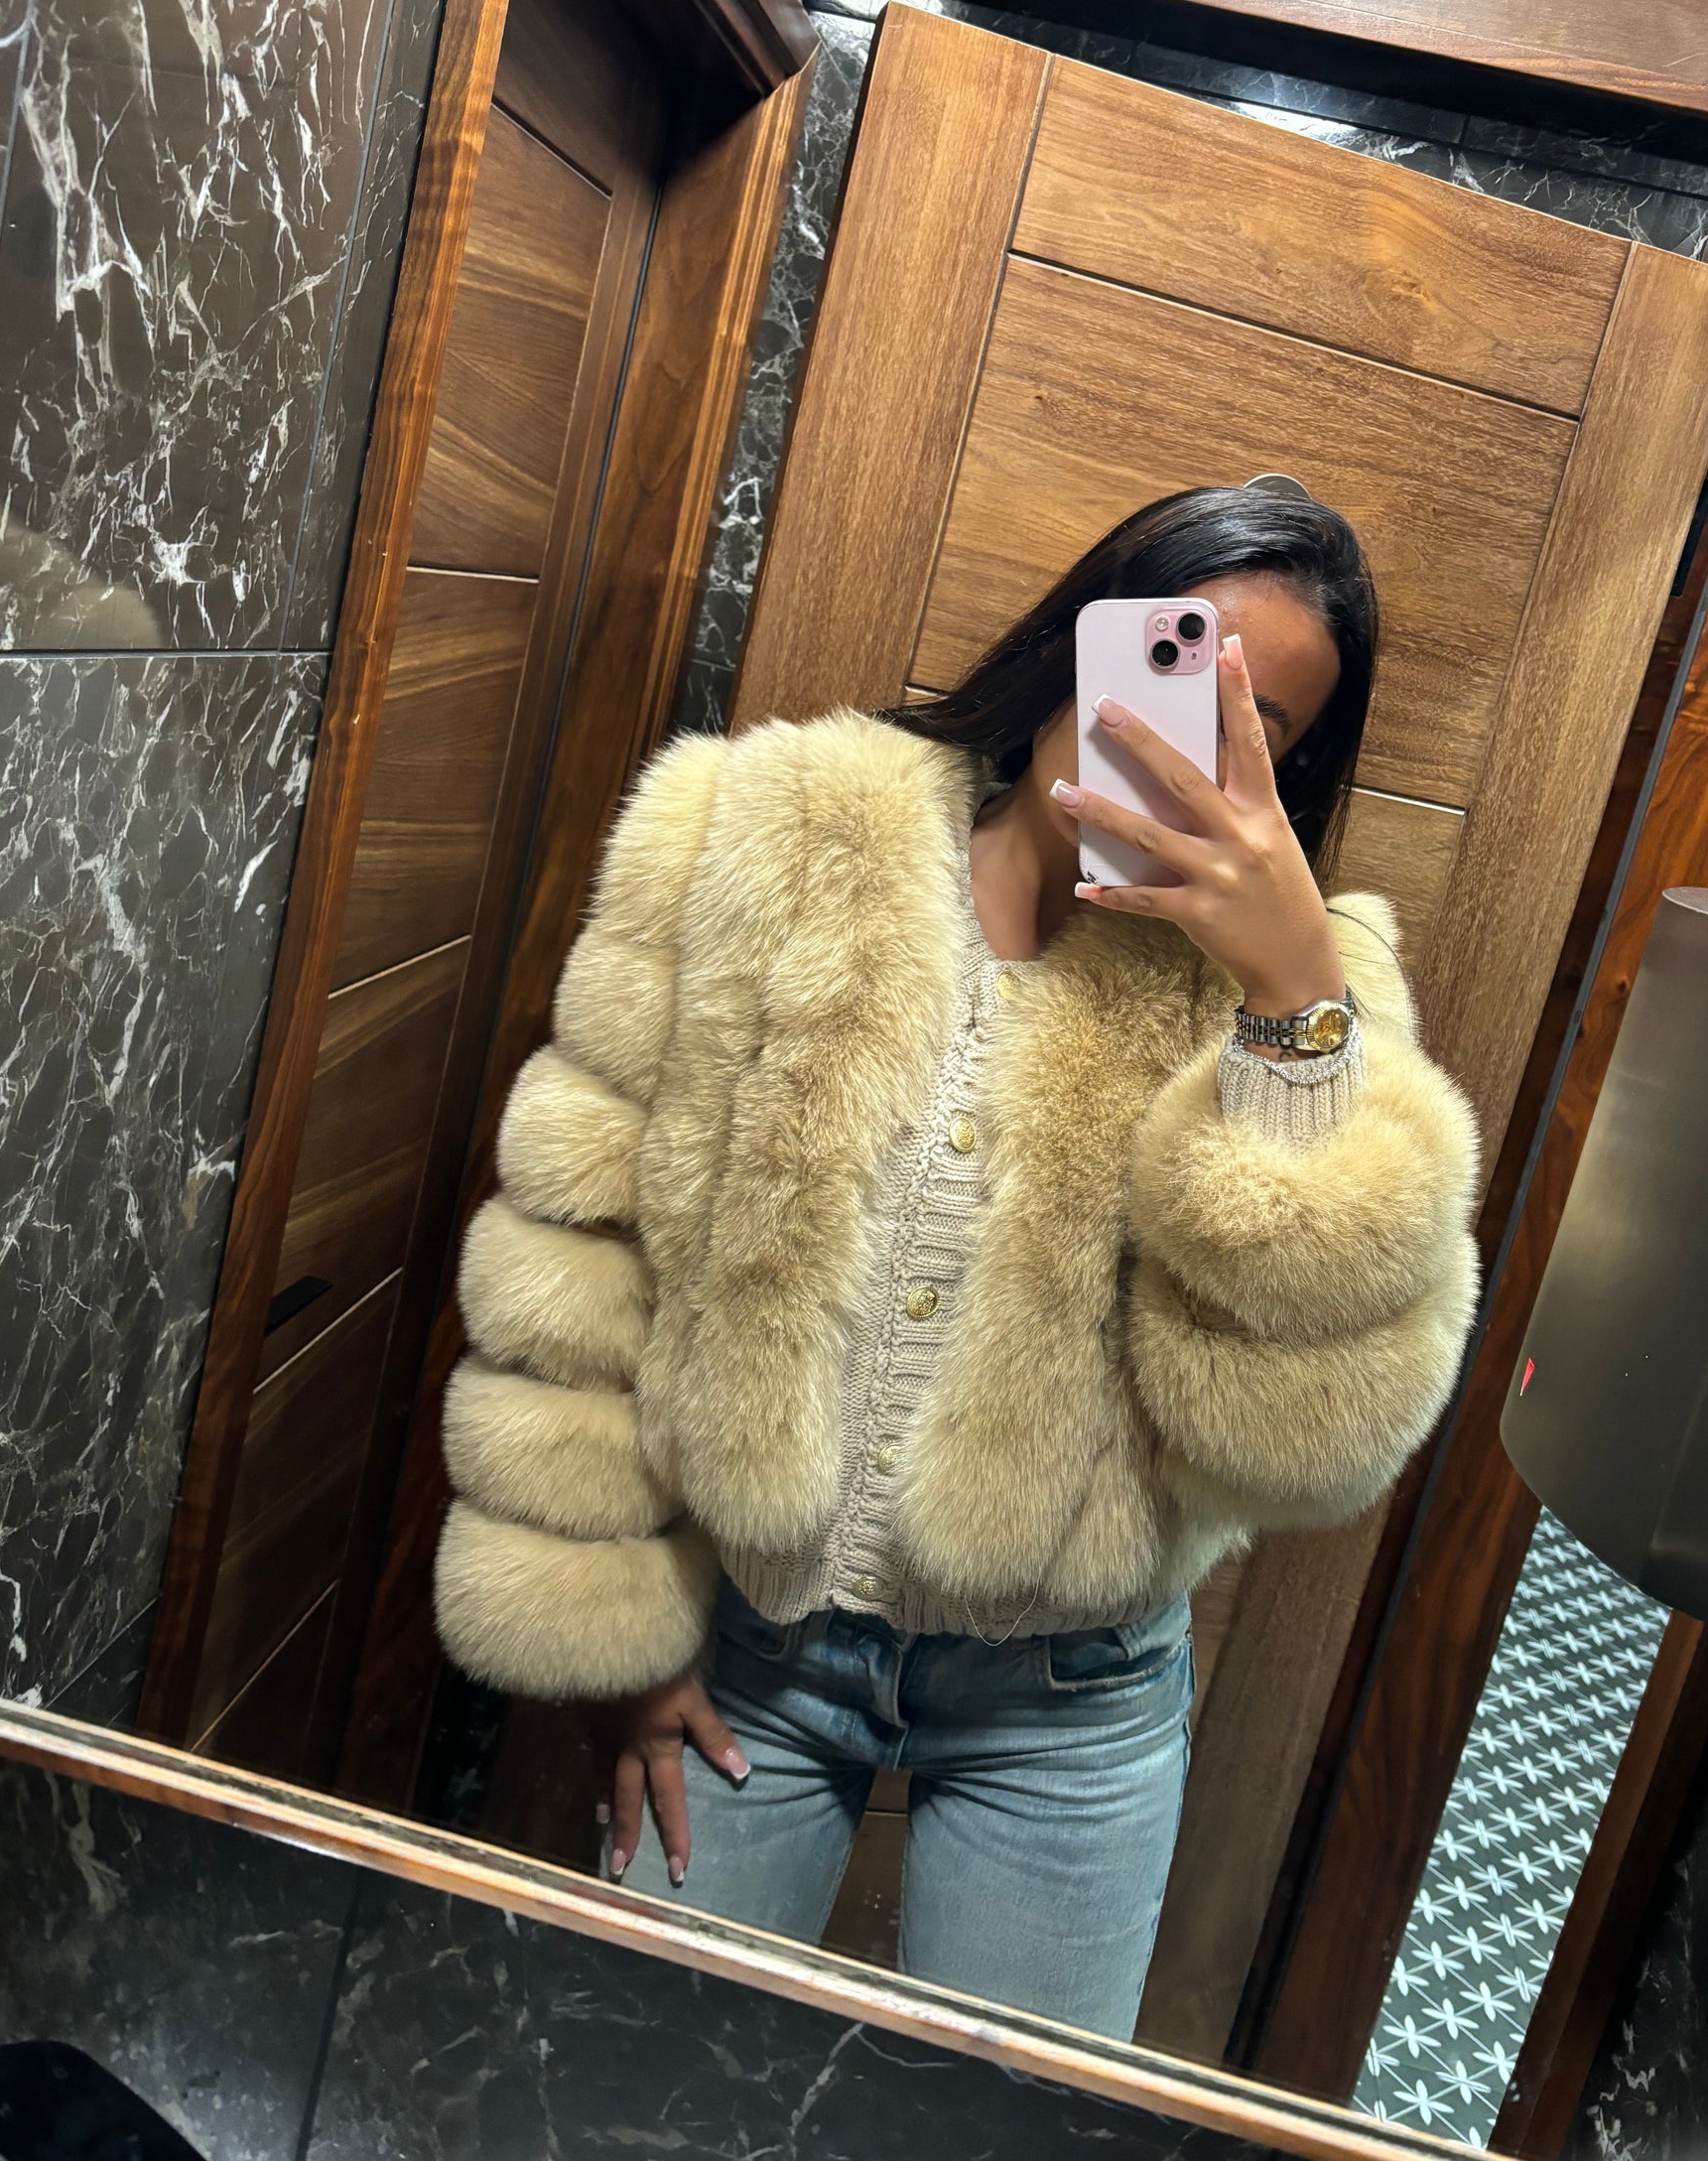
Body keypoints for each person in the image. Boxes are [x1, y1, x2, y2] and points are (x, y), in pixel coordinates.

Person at [434, 482, 1480, 2041]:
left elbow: (1300, 1448)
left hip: (1073, 1706)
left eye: (1253, 728)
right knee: (638, 2100)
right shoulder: (769, 832)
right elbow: (585, 1245)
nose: (1180, 738)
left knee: (998, 2150)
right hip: (749, 1655)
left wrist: (1287, 1006)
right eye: (1173, 663)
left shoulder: (1304, 996)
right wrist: (617, 1639)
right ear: (1082, 640)